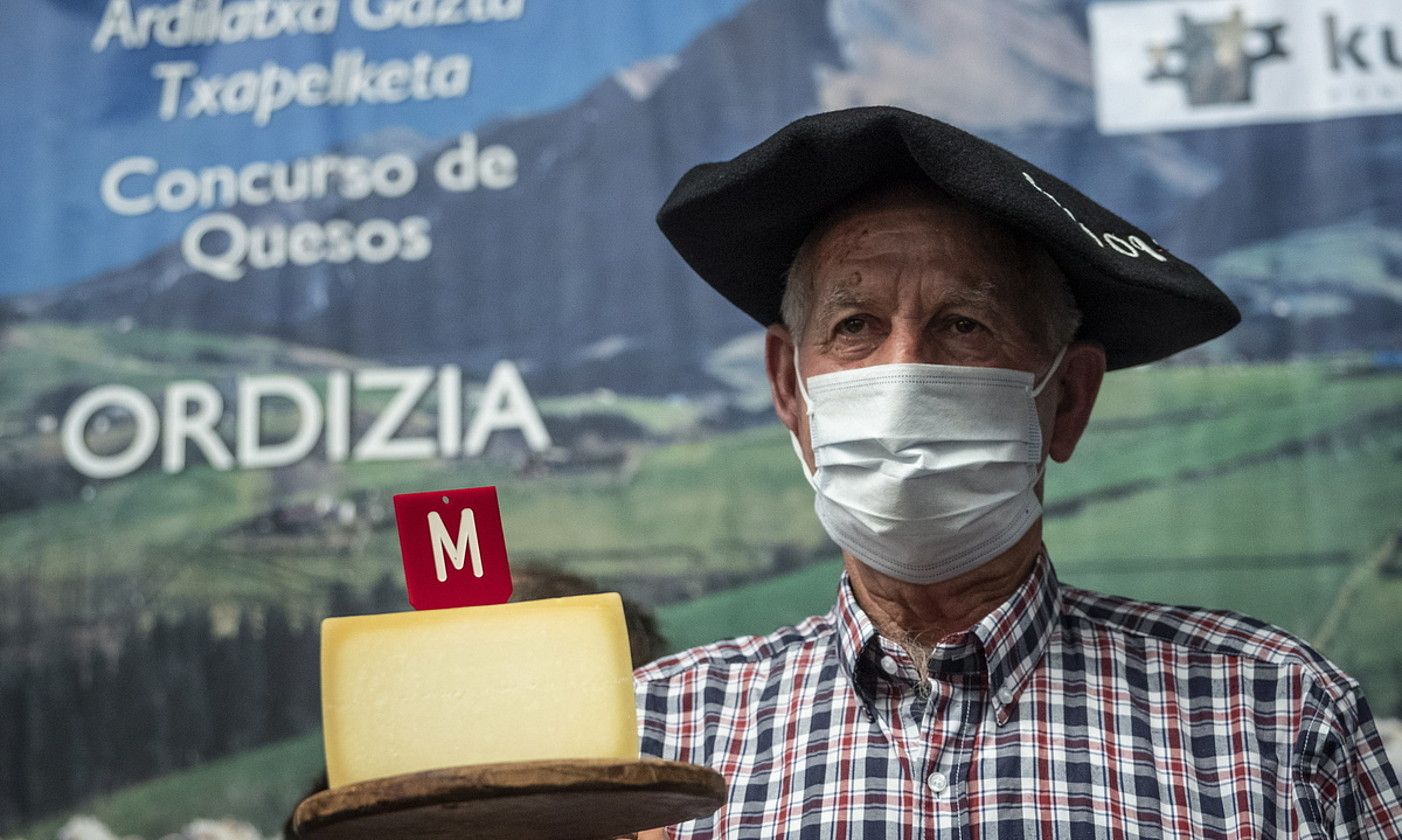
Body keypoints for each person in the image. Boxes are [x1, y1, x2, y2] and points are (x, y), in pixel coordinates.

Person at [632, 107, 1402, 838]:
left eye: (964, 326)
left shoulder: (1275, 715)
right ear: (788, 388)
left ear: (1067, 398)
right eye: (855, 326)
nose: (904, 374)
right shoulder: (654, 738)